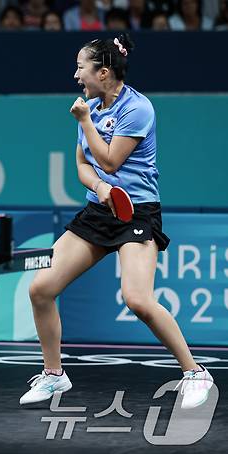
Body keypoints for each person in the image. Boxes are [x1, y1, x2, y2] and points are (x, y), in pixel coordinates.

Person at [20, 34, 215, 410]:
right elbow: (83, 166)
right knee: (40, 288)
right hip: (98, 210)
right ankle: (54, 375)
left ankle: (195, 373)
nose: (76, 74)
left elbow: (110, 160)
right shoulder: (89, 106)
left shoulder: (138, 109)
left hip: (136, 213)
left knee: (137, 299)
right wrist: (99, 187)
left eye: (81, 67)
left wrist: (86, 123)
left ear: (103, 72)